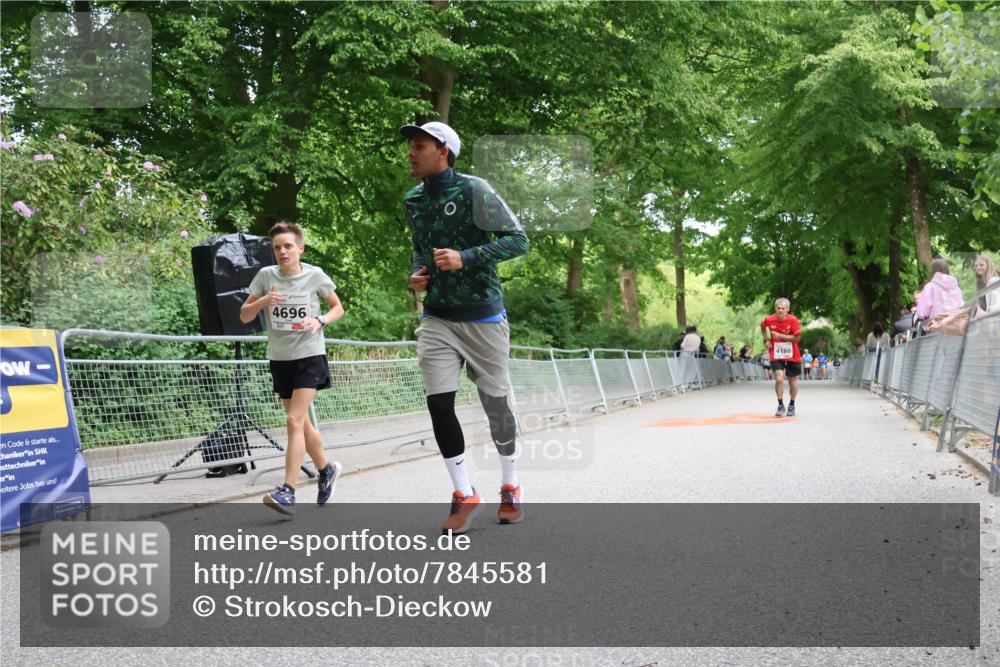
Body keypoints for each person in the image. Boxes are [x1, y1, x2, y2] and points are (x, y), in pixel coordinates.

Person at [401, 121, 529, 534]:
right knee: (439, 403)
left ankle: (509, 483)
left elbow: (518, 240)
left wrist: (466, 257)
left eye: (419, 146)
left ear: (444, 151)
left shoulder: (475, 190)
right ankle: (463, 491)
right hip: (437, 316)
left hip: (482, 316)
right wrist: (417, 275)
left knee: (496, 407)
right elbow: (420, 251)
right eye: (411, 146)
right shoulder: (413, 201)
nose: (411, 152)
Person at [241, 222, 345, 516]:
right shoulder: (265, 276)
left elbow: (338, 307)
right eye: (277, 247)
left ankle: (288, 490)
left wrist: (320, 320)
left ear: (300, 248)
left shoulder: (314, 275)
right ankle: (326, 470)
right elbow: (245, 315)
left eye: (288, 246)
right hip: (280, 357)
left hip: (310, 354)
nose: (282, 251)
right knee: (301, 424)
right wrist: (263, 300)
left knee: (293, 419)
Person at [761, 297, 802, 417]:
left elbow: (797, 338)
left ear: (787, 309)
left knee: (792, 380)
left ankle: (791, 405)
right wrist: (766, 340)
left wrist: (780, 336)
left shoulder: (793, 320)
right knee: (779, 378)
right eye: (778, 308)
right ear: (775, 308)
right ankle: (780, 405)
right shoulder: (769, 319)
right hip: (776, 352)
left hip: (792, 353)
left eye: (783, 308)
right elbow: (762, 327)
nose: (780, 311)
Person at [915, 258, 965, 327]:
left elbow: (922, 313)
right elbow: (962, 307)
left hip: (936, 329)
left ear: (932, 271)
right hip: (956, 328)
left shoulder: (930, 287)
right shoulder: (956, 288)